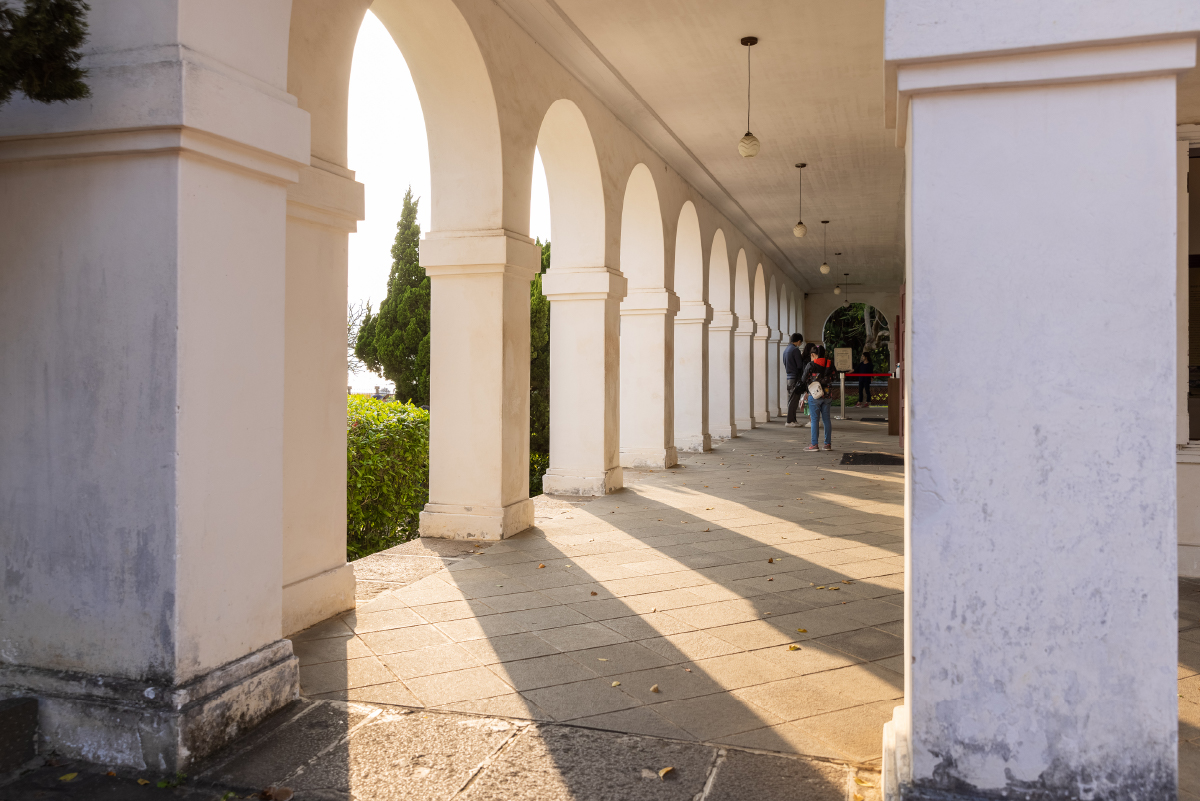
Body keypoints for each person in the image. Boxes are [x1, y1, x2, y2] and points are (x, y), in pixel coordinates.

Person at [801, 345, 835, 451]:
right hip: (827, 395)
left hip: (814, 395)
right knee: (826, 419)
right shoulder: (830, 363)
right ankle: (827, 444)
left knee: (815, 420)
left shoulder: (811, 365)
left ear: (813, 355)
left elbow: (803, 379)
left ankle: (814, 444)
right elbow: (834, 377)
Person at [781, 333, 806, 427]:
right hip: (795, 377)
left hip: (789, 377)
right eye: (800, 342)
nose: (800, 344)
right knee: (794, 400)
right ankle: (790, 421)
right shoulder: (795, 350)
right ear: (798, 341)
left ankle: (793, 420)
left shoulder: (786, 350)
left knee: (791, 399)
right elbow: (799, 365)